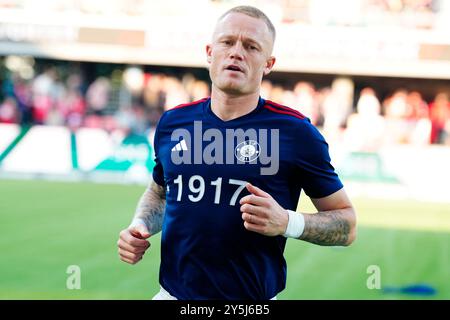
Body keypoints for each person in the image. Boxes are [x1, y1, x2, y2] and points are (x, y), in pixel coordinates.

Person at [117, 5, 356, 300]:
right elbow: (160, 192)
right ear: (209, 52)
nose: (236, 53)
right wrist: (139, 226)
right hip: (173, 295)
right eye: (227, 42)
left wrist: (287, 222)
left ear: (268, 63)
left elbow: (346, 224)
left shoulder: (295, 132)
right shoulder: (174, 123)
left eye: (251, 46)